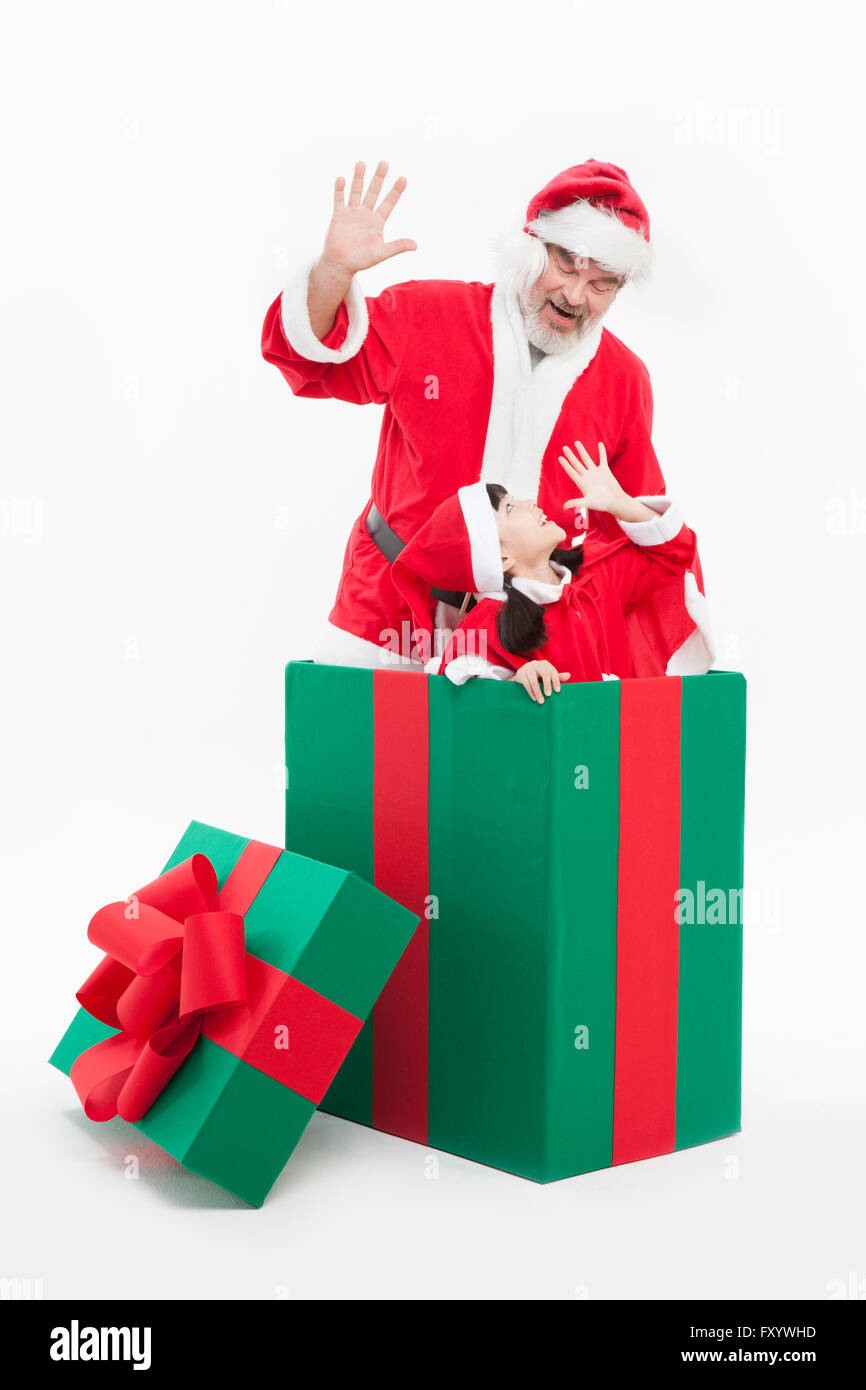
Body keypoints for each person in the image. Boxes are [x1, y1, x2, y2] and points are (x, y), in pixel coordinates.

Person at [262, 157, 712, 675]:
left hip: (523, 642)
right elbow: (306, 358)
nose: (574, 295)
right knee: (364, 751)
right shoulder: (429, 314)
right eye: (565, 264)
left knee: (499, 757)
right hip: (387, 613)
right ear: (532, 248)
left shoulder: (625, 381)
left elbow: (630, 546)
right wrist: (333, 272)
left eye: (600, 283)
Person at [390, 440, 709, 702]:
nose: (530, 502)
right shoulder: (490, 624)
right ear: (500, 558)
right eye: (511, 508)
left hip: (621, 756)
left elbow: (676, 554)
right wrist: (513, 681)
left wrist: (620, 503)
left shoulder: (596, 573)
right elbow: (462, 691)